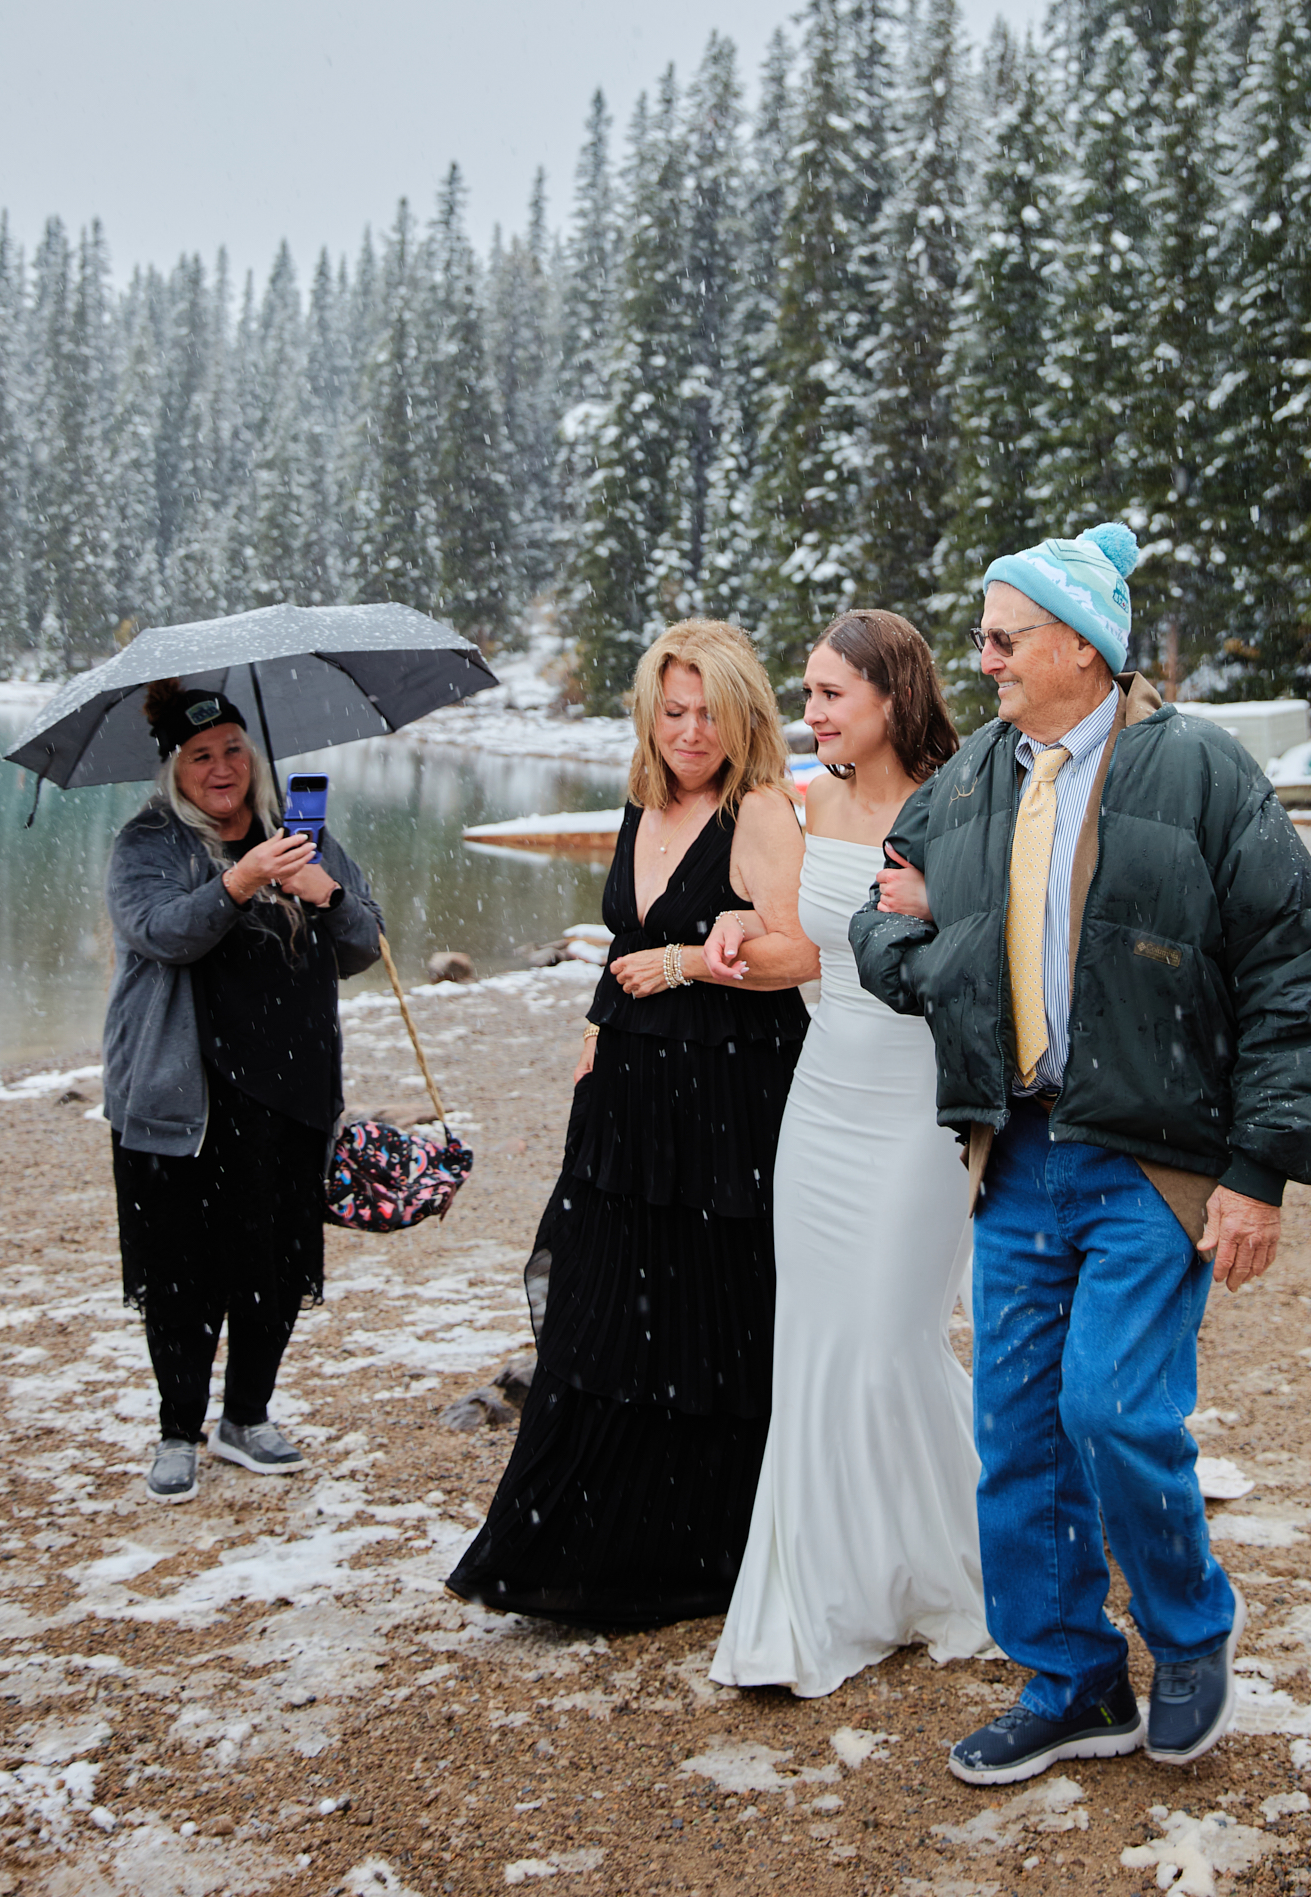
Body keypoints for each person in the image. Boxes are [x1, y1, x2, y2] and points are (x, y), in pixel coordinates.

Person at [851, 523, 1311, 1783]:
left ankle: (1190, 1633)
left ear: (1081, 643)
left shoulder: (1197, 769)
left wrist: (1259, 1172)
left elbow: (1303, 972)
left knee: (1113, 1408)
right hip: (1013, 1155)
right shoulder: (969, 778)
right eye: (981, 637)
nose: (982, 661)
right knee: (1017, 1427)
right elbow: (880, 916)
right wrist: (927, 946)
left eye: (1002, 637)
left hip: (1153, 1156)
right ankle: (1072, 1676)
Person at [446, 620, 813, 1627]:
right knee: (603, 1311)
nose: (690, 731)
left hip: (729, 1096)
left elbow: (800, 954)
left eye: (709, 712)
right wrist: (594, 1034)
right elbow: (625, 935)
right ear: (649, 713)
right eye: (673, 709)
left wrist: (692, 962)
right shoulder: (643, 799)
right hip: (624, 1091)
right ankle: (571, 1546)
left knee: (708, 1318)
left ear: (743, 716)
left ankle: (696, 1556)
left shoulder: (761, 809)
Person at [707, 611, 991, 1698]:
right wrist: (732, 931)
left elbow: (1011, 937)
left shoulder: (967, 794)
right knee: (818, 1345)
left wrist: (946, 901)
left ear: (891, 695)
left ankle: (964, 1553)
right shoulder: (801, 801)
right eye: (808, 691)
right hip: (821, 1097)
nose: (810, 711)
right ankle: (826, 1589)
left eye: (830, 694)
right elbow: (792, 943)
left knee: (889, 1338)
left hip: (924, 1100)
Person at [103, 681, 384, 1505]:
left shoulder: (302, 834)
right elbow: (160, 933)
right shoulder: (147, 843)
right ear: (175, 771)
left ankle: (247, 1416)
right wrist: (239, 880)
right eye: (200, 756)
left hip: (291, 1092)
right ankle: (177, 1430)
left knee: (275, 1262)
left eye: (232, 749)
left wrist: (321, 891)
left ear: (252, 756)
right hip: (183, 1099)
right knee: (182, 1270)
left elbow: (365, 941)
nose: (221, 767)